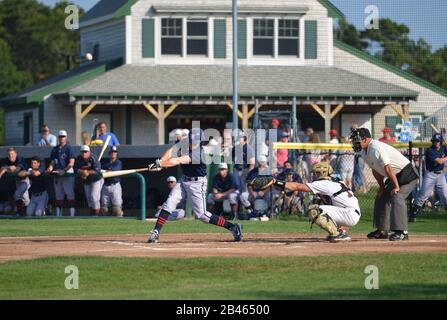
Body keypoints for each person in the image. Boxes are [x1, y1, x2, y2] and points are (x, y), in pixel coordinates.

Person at [146, 128, 243, 243]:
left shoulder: (199, 154)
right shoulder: (184, 143)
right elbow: (171, 151)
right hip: (184, 180)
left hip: (197, 183)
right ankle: (156, 232)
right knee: (169, 203)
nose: (193, 144)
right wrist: (160, 161)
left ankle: (232, 227)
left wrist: (161, 165)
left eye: (196, 141)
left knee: (202, 215)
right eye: (191, 141)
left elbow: (178, 160)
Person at [250, 162, 361, 242]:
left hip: (349, 213)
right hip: (352, 213)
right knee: (322, 205)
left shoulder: (324, 183)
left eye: (317, 173)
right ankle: (341, 233)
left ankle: (337, 234)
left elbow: (298, 186)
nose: (314, 175)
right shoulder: (338, 182)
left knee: (314, 210)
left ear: (323, 173)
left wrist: (276, 182)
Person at [350, 128, 419, 241]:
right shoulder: (364, 151)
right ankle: (382, 230)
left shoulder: (375, 147)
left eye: (357, 140)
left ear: (365, 139)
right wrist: (382, 187)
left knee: (397, 196)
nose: (355, 142)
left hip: (407, 174)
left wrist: (396, 186)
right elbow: (375, 170)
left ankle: (402, 231)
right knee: (381, 196)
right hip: (396, 175)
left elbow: (388, 167)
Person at [410, 133, 447, 222]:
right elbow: (439, 161)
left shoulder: (444, 148)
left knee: (446, 196)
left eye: (438, 141)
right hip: (430, 175)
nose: (436, 143)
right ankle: (412, 214)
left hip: (440, 175)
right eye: (435, 141)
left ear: (441, 142)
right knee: (423, 195)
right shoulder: (430, 150)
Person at [46, 130, 76, 217]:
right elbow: (53, 162)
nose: (61, 138)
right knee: (58, 194)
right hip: (58, 172)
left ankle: (72, 215)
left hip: (67, 172)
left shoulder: (69, 148)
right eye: (60, 136)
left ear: (66, 137)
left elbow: (71, 163)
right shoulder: (55, 149)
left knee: (69, 193)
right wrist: (50, 168)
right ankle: (59, 215)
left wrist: (64, 170)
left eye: (63, 136)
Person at [0, 148, 30, 215]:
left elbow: (17, 169)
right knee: (17, 196)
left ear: (15, 154)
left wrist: (6, 169)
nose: (11, 156)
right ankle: (20, 214)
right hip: (16, 181)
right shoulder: (6, 160)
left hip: (24, 180)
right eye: (9, 154)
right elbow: (1, 168)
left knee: (25, 200)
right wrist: (8, 168)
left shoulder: (19, 158)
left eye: (12, 154)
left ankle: (45, 210)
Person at [75, 145, 103, 216]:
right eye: (82, 152)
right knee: (89, 198)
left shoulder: (93, 158)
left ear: (89, 152)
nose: (84, 153)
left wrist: (87, 172)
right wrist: (82, 172)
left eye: (85, 152)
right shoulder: (79, 159)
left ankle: (96, 214)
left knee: (94, 197)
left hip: (96, 179)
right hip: (86, 180)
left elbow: (97, 170)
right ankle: (92, 214)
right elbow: (76, 169)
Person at [100, 146, 124, 216]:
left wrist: (105, 170)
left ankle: (119, 222)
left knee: (116, 209)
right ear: (109, 153)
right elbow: (100, 169)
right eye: (112, 152)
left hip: (115, 185)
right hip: (105, 185)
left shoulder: (118, 162)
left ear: (117, 154)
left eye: (114, 152)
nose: (113, 154)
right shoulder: (105, 162)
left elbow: (113, 171)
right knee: (104, 209)